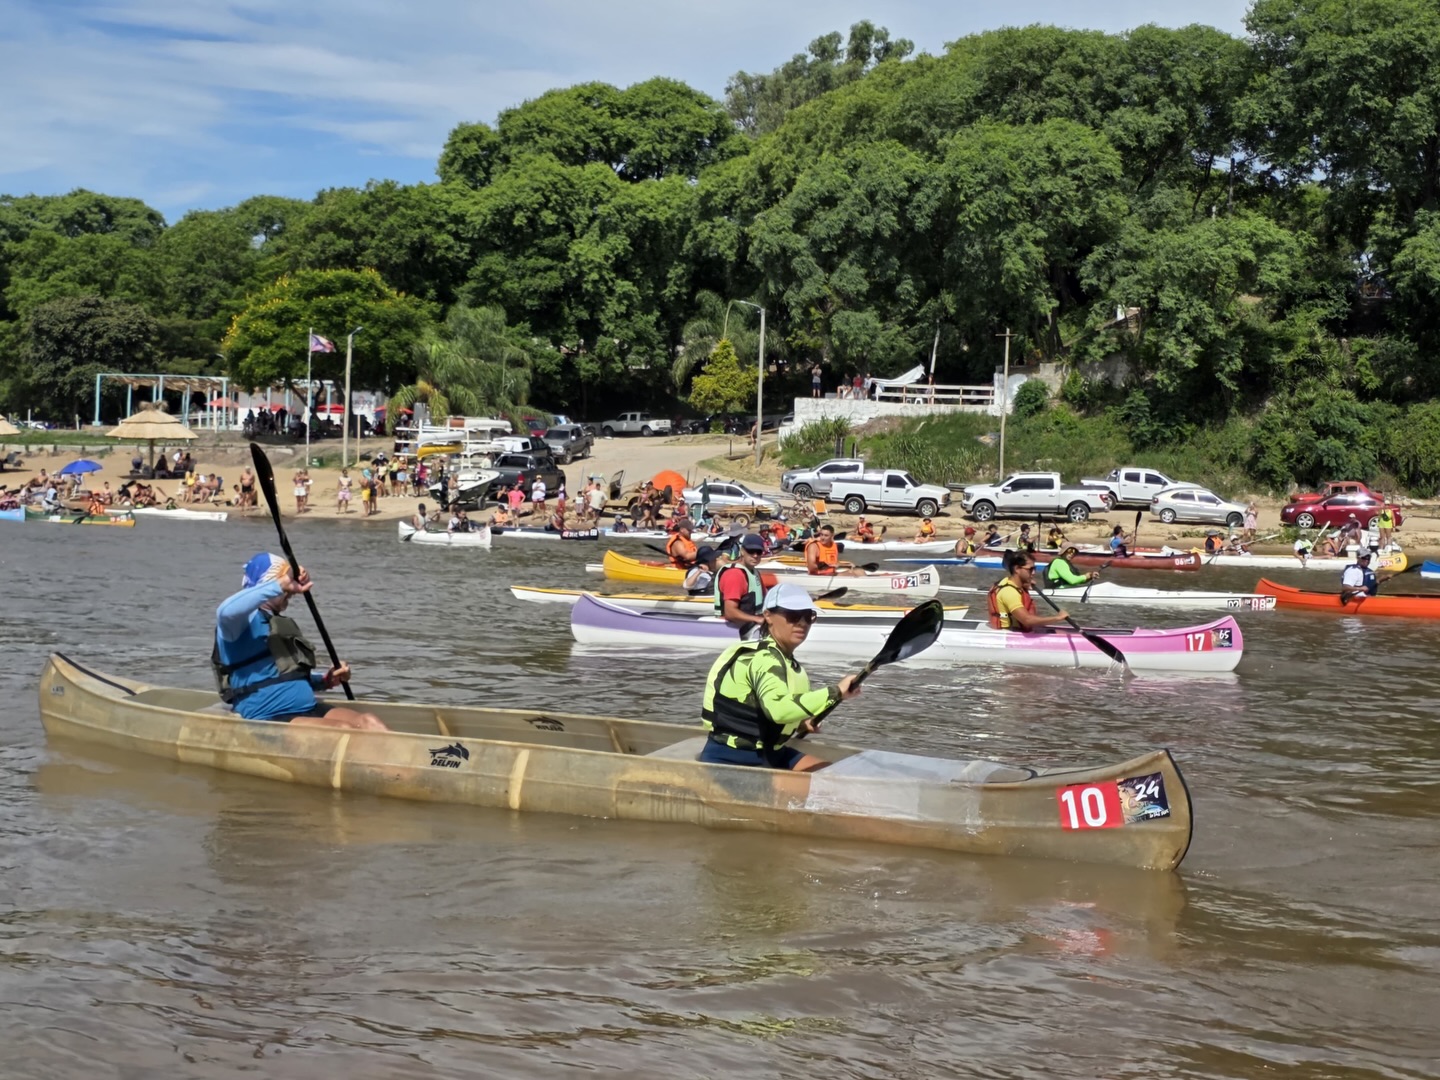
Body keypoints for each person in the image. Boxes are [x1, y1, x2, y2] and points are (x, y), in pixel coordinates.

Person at [213, 553, 386, 731]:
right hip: (268, 718)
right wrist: (281, 584)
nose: (289, 591)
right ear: (268, 584)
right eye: (284, 584)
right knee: (342, 730)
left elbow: (287, 676)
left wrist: (327, 679)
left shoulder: (278, 623)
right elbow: (224, 611)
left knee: (369, 722)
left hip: (306, 709)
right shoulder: (237, 622)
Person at [699, 583, 861, 771]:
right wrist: (836, 691)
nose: (801, 623)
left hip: (771, 753)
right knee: (830, 790)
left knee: (834, 777)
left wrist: (799, 722)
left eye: (808, 617)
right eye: (793, 616)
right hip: (731, 758)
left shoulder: (787, 662)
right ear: (768, 616)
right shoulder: (763, 659)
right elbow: (779, 711)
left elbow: (776, 709)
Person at [988, 550, 1073, 631]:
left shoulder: (1008, 582)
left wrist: (1024, 583)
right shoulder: (1009, 592)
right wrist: (1057, 618)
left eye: (1034, 569)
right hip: (1011, 634)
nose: (1033, 573)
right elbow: (1027, 620)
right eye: (1030, 569)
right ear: (1017, 569)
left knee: (1059, 632)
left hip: (1016, 631)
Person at [714, 533, 769, 638]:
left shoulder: (753, 572)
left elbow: (767, 598)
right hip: (733, 630)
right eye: (751, 551)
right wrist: (757, 619)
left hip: (751, 626)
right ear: (742, 551)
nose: (755, 555)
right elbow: (730, 612)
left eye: (759, 552)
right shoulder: (735, 575)